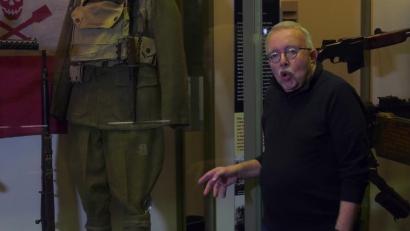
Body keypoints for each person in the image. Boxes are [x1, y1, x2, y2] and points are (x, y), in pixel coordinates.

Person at [198, 21, 369, 231]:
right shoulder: (273, 97)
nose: (282, 62)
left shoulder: (337, 95)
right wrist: (236, 171)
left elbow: (355, 173)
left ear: (313, 56)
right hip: (275, 223)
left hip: (322, 224)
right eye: (274, 55)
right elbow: (276, 157)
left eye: (292, 52)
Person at [51, 0, 188, 230]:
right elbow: (68, 47)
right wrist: (60, 102)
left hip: (132, 112)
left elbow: (171, 50)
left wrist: (175, 111)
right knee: (93, 207)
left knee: (132, 210)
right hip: (85, 109)